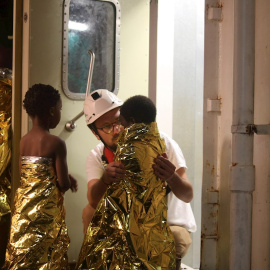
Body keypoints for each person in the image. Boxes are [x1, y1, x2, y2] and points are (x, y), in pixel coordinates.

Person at [81, 90, 196, 269]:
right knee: (89, 212)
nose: (117, 129)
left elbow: (188, 195)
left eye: (118, 121)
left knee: (173, 238)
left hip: (167, 225)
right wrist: (105, 180)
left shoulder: (162, 144)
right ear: (96, 133)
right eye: (107, 126)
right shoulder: (98, 156)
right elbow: (93, 201)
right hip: (126, 225)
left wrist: (171, 177)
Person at [4, 84, 78, 270]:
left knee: (26, 251)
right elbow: (63, 184)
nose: (60, 114)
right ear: (52, 111)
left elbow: (26, 175)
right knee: (48, 253)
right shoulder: (56, 143)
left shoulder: (23, 140)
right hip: (47, 211)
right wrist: (68, 179)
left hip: (25, 208)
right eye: (60, 109)